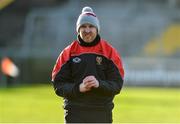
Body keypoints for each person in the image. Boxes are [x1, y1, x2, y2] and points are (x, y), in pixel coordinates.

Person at [51, 6, 125, 123]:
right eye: (83, 26)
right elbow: (58, 84)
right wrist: (78, 88)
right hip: (74, 113)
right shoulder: (68, 53)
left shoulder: (109, 52)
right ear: (78, 29)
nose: (87, 30)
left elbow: (117, 84)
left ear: (97, 29)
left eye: (91, 26)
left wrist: (99, 84)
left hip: (101, 112)